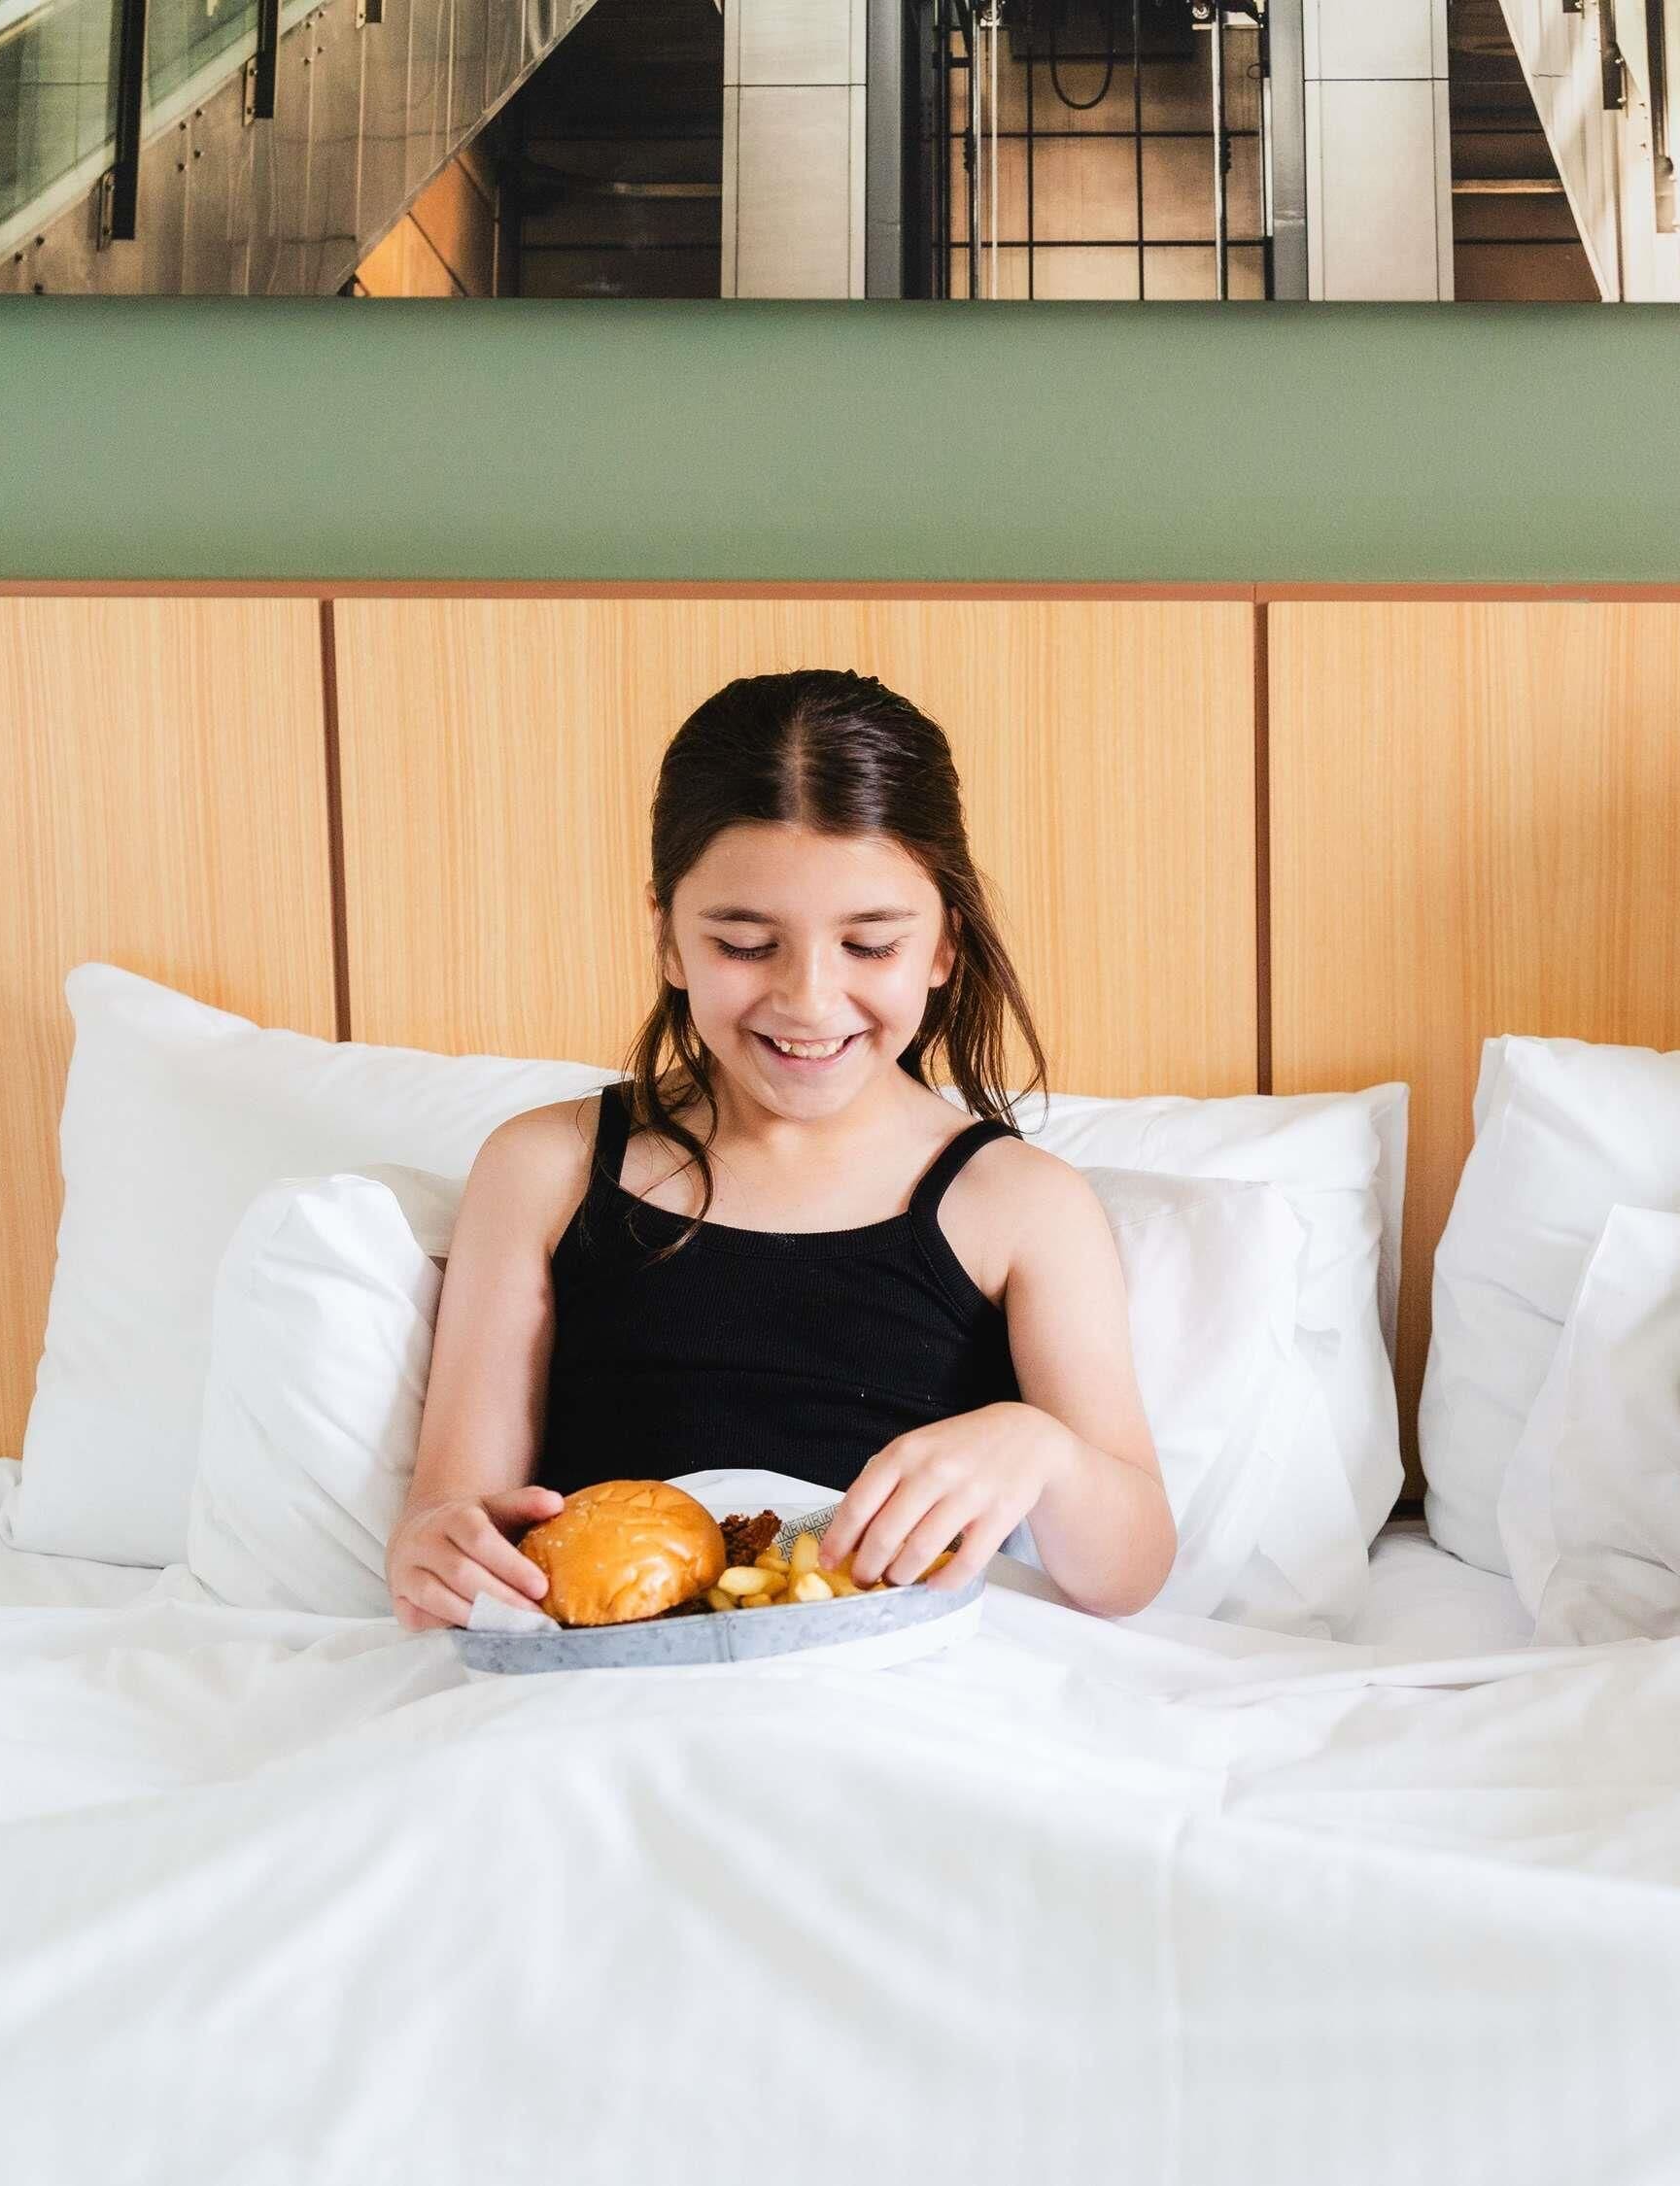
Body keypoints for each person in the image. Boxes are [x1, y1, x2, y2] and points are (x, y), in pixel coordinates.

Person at [386, 669, 1174, 1628]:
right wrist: (436, 1552)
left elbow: (1131, 1570)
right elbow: (451, 1513)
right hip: (608, 1693)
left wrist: (1040, 1451)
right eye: (746, 945)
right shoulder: (540, 1169)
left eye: (870, 946)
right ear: (668, 937)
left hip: (893, 1692)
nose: (808, 1000)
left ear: (942, 948)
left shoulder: (1020, 1204)